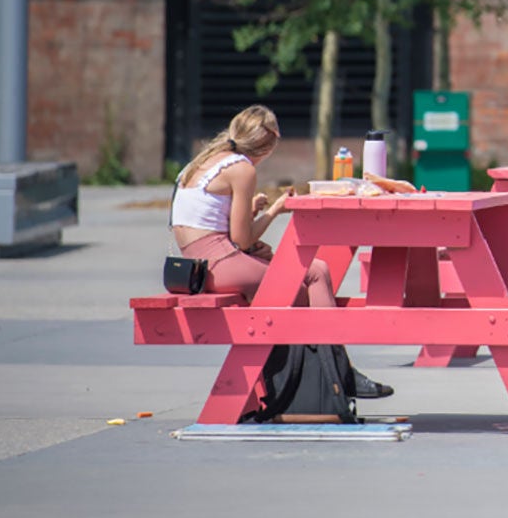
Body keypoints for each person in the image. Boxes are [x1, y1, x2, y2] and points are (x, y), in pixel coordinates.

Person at [168, 105, 392, 398]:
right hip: (220, 263)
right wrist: (274, 211)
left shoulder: (204, 161)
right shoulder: (242, 169)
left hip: (199, 264)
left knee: (312, 273)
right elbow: (242, 239)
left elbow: (214, 225)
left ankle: (331, 375)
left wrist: (250, 221)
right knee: (313, 275)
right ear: (270, 144)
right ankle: (339, 374)